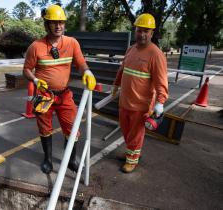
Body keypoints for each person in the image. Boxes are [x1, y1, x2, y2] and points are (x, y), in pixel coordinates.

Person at [23, 4, 96, 174]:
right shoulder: (36, 46)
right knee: (44, 128)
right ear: (46, 24)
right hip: (44, 95)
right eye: (54, 22)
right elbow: (26, 69)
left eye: (61, 22)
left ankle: (71, 160)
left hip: (64, 95)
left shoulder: (72, 43)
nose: (58, 26)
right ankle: (48, 160)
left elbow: (81, 63)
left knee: (73, 129)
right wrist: (35, 80)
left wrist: (88, 71)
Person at [112, 13, 168, 173]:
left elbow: (161, 81)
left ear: (151, 33)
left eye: (146, 31)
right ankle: (131, 152)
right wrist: (115, 86)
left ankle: (132, 160)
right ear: (135, 30)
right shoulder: (131, 50)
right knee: (126, 131)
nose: (142, 34)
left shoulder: (155, 54)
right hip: (125, 102)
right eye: (139, 30)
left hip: (141, 105)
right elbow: (122, 70)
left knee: (136, 134)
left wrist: (160, 102)